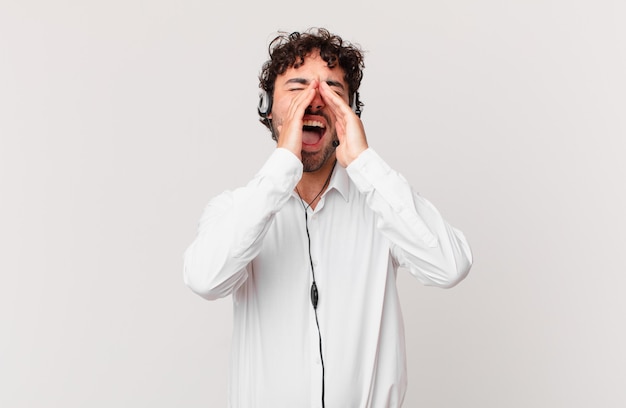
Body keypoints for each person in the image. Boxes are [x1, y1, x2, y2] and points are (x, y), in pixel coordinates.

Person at [183, 28, 472, 408]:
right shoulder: (234, 210)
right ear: (268, 108)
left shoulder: (382, 204)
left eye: (332, 91)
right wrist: (283, 166)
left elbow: (449, 267)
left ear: (350, 115)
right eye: (299, 88)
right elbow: (205, 279)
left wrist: (365, 162)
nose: (315, 101)